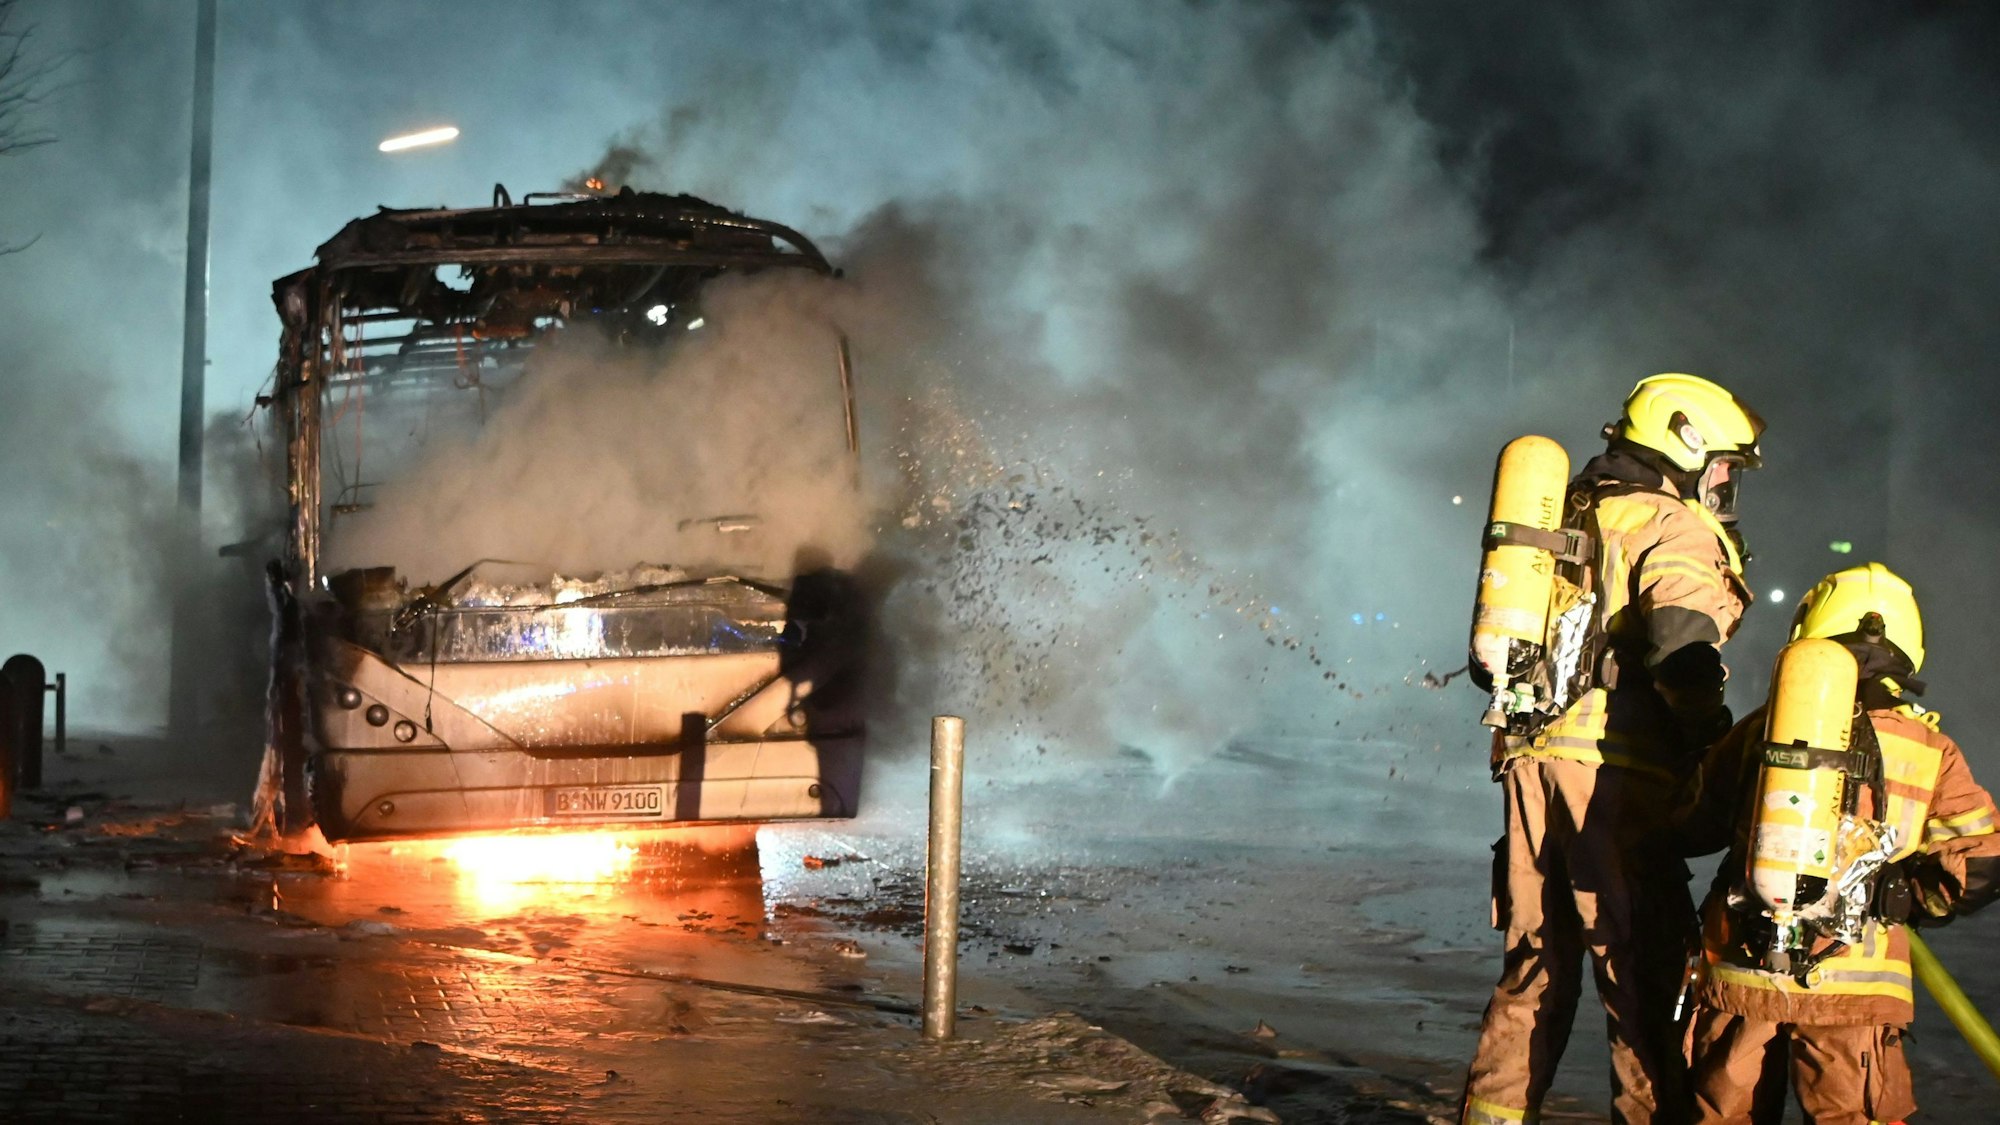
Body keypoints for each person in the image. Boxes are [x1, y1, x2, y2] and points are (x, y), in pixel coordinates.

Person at [1462, 373, 1765, 1125]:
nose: (1724, 481)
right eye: (1723, 463)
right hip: (1613, 779)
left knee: (1535, 969)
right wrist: (1709, 738)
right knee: (1644, 977)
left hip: (1530, 762)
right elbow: (1682, 644)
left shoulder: (1564, 515)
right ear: (1686, 442)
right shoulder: (1670, 523)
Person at [1678, 564, 2000, 1125]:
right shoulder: (1930, 749)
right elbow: (1982, 863)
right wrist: (1906, 894)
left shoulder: (1759, 730)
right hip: (1858, 988)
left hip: (1743, 974)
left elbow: (1692, 826)